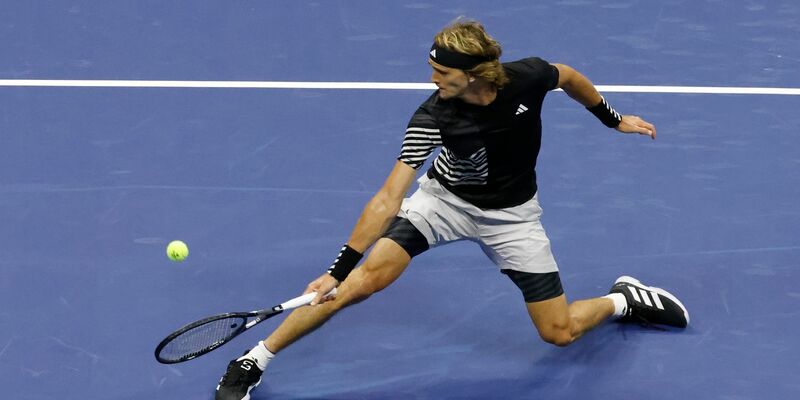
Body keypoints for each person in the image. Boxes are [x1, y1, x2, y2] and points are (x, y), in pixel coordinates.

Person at [215, 19, 690, 400]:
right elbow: (389, 197)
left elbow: (566, 76)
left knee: (559, 332)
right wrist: (337, 269)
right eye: (432, 69)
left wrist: (612, 119)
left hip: (513, 217)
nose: (432, 79)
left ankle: (626, 298)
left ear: (476, 74)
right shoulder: (433, 117)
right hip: (443, 203)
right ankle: (255, 358)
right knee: (361, 283)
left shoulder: (526, 78)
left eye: (441, 73)